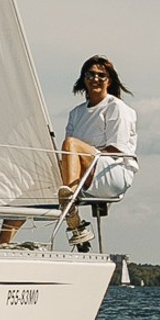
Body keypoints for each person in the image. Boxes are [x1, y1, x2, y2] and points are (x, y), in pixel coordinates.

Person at [59, 55, 137, 242]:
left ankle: (69, 207)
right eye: (90, 74)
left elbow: (118, 148)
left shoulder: (117, 108)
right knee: (35, 176)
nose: (95, 79)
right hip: (83, 174)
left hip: (113, 172)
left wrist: (83, 152)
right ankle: (4, 242)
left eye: (101, 75)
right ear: (83, 79)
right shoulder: (76, 113)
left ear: (109, 81)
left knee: (71, 143)